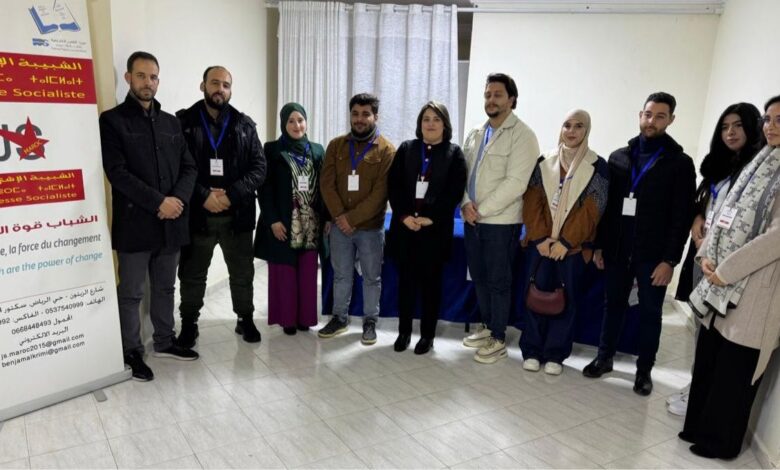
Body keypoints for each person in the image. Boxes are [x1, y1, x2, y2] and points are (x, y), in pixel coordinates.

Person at [681, 95, 780, 460]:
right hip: (719, 281)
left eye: (779, 120)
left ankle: (719, 443)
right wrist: (706, 255)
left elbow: (775, 238)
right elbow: (724, 212)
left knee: (734, 370)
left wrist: (726, 270)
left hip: (753, 287)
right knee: (710, 359)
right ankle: (697, 428)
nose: (770, 126)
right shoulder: (759, 162)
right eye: (768, 119)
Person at [583, 92, 696, 396]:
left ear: (671, 120)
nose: (651, 121)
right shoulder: (619, 157)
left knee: (649, 313)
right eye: (648, 114)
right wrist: (600, 246)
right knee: (612, 306)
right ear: (640, 115)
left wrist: (670, 261)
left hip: (653, 257)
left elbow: (682, 217)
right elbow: (607, 209)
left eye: (660, 116)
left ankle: (644, 371)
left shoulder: (680, 163)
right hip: (617, 251)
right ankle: (604, 358)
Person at [100, 51, 198, 381]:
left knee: (165, 288)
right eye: (141, 76)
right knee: (131, 293)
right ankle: (131, 351)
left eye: (153, 77)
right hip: (135, 223)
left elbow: (189, 167)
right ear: (128, 78)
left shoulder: (172, 122)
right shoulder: (112, 121)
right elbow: (118, 173)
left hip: (172, 223)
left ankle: (165, 341)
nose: (148, 82)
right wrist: (159, 202)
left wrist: (177, 200)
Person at [669, 102, 762, 416]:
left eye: (738, 126)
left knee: (713, 330)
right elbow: (705, 202)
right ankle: (696, 385)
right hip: (702, 256)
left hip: (726, 262)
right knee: (700, 324)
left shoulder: (755, 170)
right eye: (724, 127)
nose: (730, 132)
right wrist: (696, 218)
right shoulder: (718, 166)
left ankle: (701, 390)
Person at [175, 66, 266, 347]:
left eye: (226, 85)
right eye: (215, 83)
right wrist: (204, 195)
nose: (220, 89)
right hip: (197, 215)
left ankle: (245, 319)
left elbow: (259, 168)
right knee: (192, 274)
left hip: (237, 215)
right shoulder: (183, 122)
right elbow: (175, 167)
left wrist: (231, 195)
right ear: (203, 85)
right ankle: (189, 323)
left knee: (242, 273)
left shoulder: (244, 124)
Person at [520, 109, 608, 375]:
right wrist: (541, 239)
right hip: (541, 245)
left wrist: (566, 242)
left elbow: (593, 209)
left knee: (565, 301)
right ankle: (532, 350)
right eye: (567, 125)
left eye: (578, 126)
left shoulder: (598, 166)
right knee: (535, 296)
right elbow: (532, 200)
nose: (571, 131)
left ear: (586, 130)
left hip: (573, 249)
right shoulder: (544, 161)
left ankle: (555, 354)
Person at [461, 73, 540, 364]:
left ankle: (498, 337)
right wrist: (465, 204)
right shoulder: (476, 133)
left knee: (498, 281)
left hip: (501, 223)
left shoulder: (523, 135)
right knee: (479, 277)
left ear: (511, 100)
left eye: (497, 95)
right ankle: (487, 325)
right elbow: (463, 174)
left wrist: (480, 209)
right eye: (487, 95)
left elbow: (516, 183)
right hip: (472, 219)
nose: (491, 100)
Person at [386, 101, 467, 354]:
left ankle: (427, 336)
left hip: (434, 232)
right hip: (405, 229)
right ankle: (404, 333)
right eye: (426, 119)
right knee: (406, 286)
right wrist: (403, 216)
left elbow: (454, 191)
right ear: (420, 124)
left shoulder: (454, 154)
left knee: (431, 287)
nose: (430, 124)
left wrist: (431, 217)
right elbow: (394, 186)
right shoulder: (406, 149)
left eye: (436, 119)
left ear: (445, 124)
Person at [318, 93, 396, 345]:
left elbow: (381, 193)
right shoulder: (336, 146)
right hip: (340, 228)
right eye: (355, 114)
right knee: (341, 276)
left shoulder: (387, 150)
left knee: (372, 277)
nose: (359, 119)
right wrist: (341, 218)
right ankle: (339, 318)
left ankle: (370, 321)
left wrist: (350, 219)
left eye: (365, 114)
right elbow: (327, 184)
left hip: (370, 228)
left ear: (376, 117)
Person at [255, 103, 326, 335]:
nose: (297, 125)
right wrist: (272, 220)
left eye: (300, 120)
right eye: (291, 121)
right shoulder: (272, 149)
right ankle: (287, 320)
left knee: (307, 273)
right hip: (283, 222)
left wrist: (328, 219)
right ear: (283, 124)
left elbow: (325, 187)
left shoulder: (317, 150)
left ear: (306, 122)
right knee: (284, 273)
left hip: (311, 223)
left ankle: (305, 318)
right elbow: (264, 188)